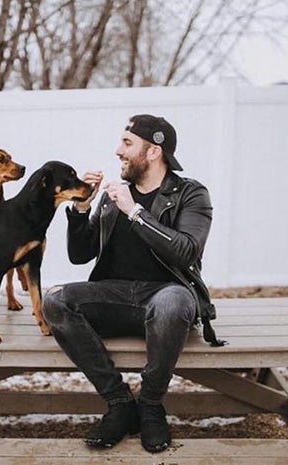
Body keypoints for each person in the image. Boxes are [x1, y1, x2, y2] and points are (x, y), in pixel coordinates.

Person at [42, 114, 224, 454]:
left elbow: (186, 251)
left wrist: (137, 214)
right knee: (54, 300)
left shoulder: (191, 193)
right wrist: (81, 208)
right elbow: (80, 255)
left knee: (173, 302)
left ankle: (151, 405)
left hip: (166, 298)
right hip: (115, 296)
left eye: (127, 144)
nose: (117, 151)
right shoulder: (114, 196)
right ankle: (120, 402)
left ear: (153, 152)